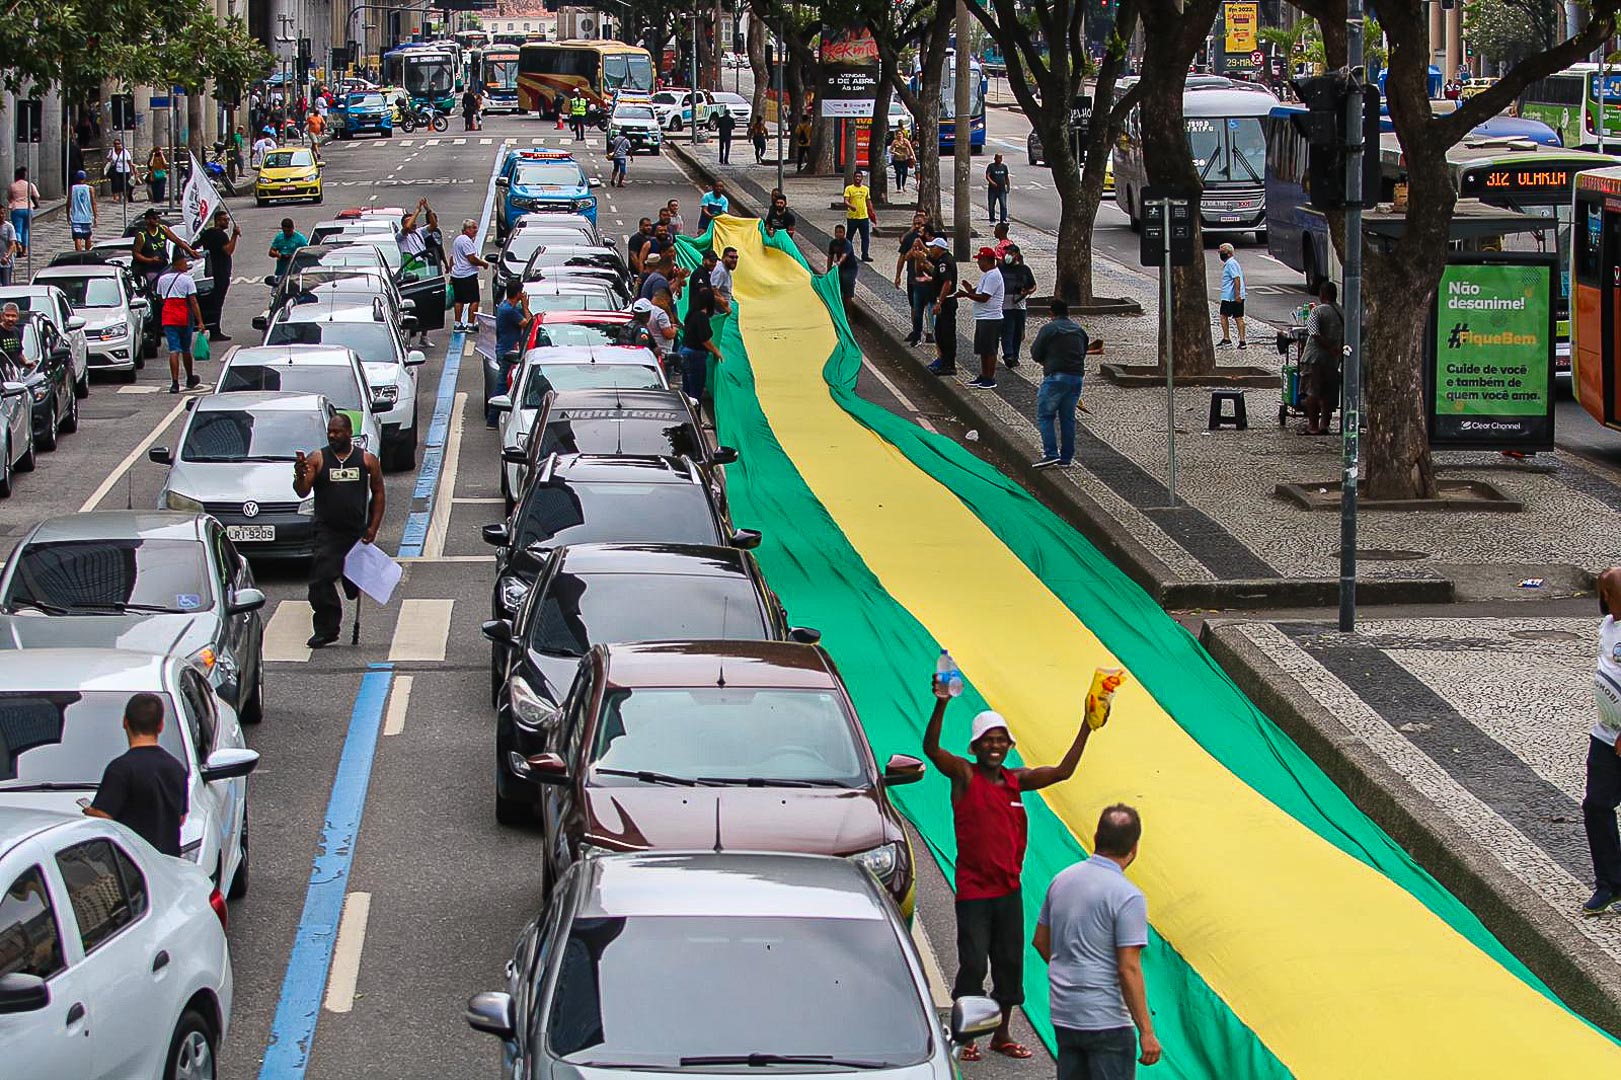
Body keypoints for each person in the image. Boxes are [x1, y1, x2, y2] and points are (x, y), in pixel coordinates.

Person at [922, 677, 1098, 1061]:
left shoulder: (1017, 781)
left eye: (1002, 740)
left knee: (1008, 966)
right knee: (972, 963)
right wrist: (941, 703)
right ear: (976, 746)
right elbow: (931, 749)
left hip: (1008, 894)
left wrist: (1087, 725)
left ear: (1010, 746)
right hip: (973, 893)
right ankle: (966, 1035)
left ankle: (1001, 1033)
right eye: (989, 740)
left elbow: (1063, 771)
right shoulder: (964, 775)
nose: (996, 746)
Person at [1036, 805, 1161, 1076]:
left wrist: (1070, 971)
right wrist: (1147, 1032)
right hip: (1107, 1020)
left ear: (1096, 837)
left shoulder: (1062, 880)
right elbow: (1128, 968)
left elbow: (1040, 941)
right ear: (1135, 847)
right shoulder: (1128, 896)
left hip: (1065, 1012)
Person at [293, 413, 386, 649]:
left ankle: (350, 579)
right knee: (319, 582)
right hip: (328, 532)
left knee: (351, 575)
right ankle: (327, 629)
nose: (333, 436)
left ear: (349, 433)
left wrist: (373, 527)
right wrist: (300, 474)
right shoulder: (318, 459)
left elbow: (379, 493)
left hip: (356, 531)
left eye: (337, 432)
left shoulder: (366, 460)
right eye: (330, 432)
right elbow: (302, 491)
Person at [83, 693, 189, 857]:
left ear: (125, 722)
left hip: (133, 862)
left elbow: (104, 816)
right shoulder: (176, 767)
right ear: (160, 726)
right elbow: (181, 818)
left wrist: (91, 811)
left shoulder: (120, 768)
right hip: (168, 862)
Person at [1030, 298, 1095, 468]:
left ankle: (1051, 453)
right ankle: (1066, 457)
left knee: (1046, 415)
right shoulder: (1079, 330)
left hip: (1056, 377)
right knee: (1067, 418)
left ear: (1051, 313)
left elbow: (1036, 353)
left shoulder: (1049, 329)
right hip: (1076, 378)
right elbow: (1083, 351)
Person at [958, 247, 1006, 390]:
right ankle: (984, 375)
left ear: (987, 261)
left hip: (991, 318)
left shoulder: (993, 276)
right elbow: (978, 293)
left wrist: (966, 295)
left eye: (980, 260)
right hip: (983, 317)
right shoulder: (987, 275)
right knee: (983, 349)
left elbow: (984, 298)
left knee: (990, 350)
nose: (979, 264)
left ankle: (990, 378)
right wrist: (969, 290)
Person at [1300, 280, 1344, 436]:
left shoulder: (1317, 311)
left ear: (1322, 294)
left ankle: (1313, 425)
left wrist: (1328, 348)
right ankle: (1324, 424)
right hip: (1332, 361)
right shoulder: (1342, 312)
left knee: (1312, 392)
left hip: (1314, 359)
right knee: (1328, 394)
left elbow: (1313, 332)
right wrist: (1335, 350)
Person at [490, 280, 532, 427]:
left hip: (506, 348)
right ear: (519, 293)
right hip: (507, 352)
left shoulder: (505, 307)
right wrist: (526, 306)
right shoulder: (509, 311)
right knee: (502, 385)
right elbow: (528, 324)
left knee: (507, 383)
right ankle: (493, 418)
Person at [195, 209, 240, 342]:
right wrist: (235, 235)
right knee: (218, 302)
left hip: (212, 272)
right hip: (220, 272)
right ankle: (215, 330)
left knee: (214, 301)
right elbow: (228, 250)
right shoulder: (220, 235)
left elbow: (196, 245)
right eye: (225, 220)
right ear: (218, 221)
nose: (227, 222)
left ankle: (213, 327)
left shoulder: (208, 233)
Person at [678, 284, 722, 404]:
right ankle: (695, 417)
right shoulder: (701, 317)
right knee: (695, 390)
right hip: (695, 354)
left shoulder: (691, 314)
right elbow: (705, 339)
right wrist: (716, 351)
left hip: (684, 350)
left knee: (687, 387)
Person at [1000, 244, 1036, 369]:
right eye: (1006, 253)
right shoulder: (1001, 268)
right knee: (1007, 331)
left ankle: (1015, 356)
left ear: (1017, 255)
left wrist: (1027, 292)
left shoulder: (1024, 269)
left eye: (1010, 253)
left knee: (1017, 332)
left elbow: (1033, 285)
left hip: (1019, 305)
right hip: (1005, 305)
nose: (1008, 255)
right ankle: (1008, 355)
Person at [927, 238, 959, 375]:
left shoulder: (944, 262)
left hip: (947, 303)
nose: (930, 250)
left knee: (946, 334)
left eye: (933, 247)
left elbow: (947, 283)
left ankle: (949, 365)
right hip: (944, 301)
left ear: (940, 248)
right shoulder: (943, 260)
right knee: (940, 333)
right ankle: (944, 362)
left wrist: (940, 302)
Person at [450, 218, 488, 331]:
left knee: (459, 300)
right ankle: (470, 324)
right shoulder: (466, 241)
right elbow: (471, 258)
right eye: (473, 228)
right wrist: (483, 263)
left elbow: (452, 257)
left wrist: (451, 271)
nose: (476, 231)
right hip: (467, 275)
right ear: (467, 229)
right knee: (474, 300)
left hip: (457, 274)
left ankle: (457, 323)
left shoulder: (458, 240)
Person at [1217, 242, 1247, 348]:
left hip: (1230, 296)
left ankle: (1227, 339)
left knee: (1224, 316)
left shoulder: (1231, 264)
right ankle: (1241, 341)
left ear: (1229, 253)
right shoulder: (1232, 263)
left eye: (1222, 252)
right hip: (1232, 295)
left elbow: (1236, 278)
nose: (1220, 254)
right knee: (1238, 317)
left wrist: (1237, 294)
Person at [6, 168, 38, 256]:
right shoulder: (29, 185)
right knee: (26, 230)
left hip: (16, 208)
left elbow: (9, 197)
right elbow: (36, 195)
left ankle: (18, 244)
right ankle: (25, 250)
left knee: (17, 228)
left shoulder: (13, 186)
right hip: (28, 208)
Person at [844, 169, 873, 261]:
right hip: (852, 217)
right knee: (849, 237)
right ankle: (848, 254)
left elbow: (868, 201)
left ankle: (865, 254)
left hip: (863, 217)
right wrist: (850, 206)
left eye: (859, 177)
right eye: (856, 177)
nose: (858, 178)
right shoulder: (849, 189)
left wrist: (871, 211)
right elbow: (846, 200)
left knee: (865, 237)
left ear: (862, 178)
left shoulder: (866, 189)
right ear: (854, 178)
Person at [268, 217, 309, 283]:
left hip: (295, 270)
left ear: (293, 228)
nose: (287, 233)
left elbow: (306, 252)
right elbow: (271, 252)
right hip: (281, 270)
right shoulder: (279, 237)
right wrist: (280, 255)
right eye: (285, 231)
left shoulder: (300, 239)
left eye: (289, 231)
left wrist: (293, 256)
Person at [828, 223, 858, 304]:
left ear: (844, 233)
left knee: (847, 292)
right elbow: (830, 256)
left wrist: (839, 262)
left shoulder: (847, 244)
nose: (838, 234)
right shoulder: (833, 243)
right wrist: (828, 269)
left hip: (850, 268)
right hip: (841, 268)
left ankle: (848, 310)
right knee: (838, 286)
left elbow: (844, 255)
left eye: (840, 232)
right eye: (836, 232)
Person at [68, 170, 96, 252]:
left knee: (77, 237)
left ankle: (79, 254)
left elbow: (68, 202)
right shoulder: (90, 189)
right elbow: (93, 203)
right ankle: (88, 253)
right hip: (87, 216)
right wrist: (95, 216)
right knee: (87, 237)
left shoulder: (72, 188)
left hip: (76, 216)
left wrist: (67, 214)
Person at [105, 138, 135, 203]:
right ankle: (116, 198)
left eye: (118, 144)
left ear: (121, 144)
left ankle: (125, 197)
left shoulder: (125, 151)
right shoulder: (112, 151)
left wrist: (132, 170)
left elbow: (129, 162)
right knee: (116, 184)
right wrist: (109, 159)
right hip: (116, 170)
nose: (117, 145)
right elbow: (108, 159)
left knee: (126, 184)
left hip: (125, 170)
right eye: (115, 144)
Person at [986, 152, 1011, 223]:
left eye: (1000, 158)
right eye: (998, 158)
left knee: (1003, 205)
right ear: (995, 159)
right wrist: (992, 182)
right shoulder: (991, 166)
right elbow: (987, 176)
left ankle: (1003, 219)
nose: (999, 159)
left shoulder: (1004, 167)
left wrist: (1008, 186)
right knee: (991, 205)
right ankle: (992, 219)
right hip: (992, 190)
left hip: (1002, 189)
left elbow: (1006, 177)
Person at [711, 247, 738, 313]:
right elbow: (713, 289)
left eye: (736, 257)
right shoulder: (721, 270)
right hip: (718, 312)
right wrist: (724, 304)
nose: (734, 260)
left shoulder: (725, 269)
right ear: (724, 257)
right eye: (731, 257)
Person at [890, 126, 915, 192]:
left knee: (905, 173)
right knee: (898, 172)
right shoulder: (895, 141)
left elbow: (911, 149)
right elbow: (890, 150)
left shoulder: (906, 141)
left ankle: (903, 185)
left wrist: (913, 156)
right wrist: (895, 153)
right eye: (898, 134)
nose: (899, 135)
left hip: (905, 159)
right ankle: (898, 187)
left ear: (903, 135)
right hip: (897, 159)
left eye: (900, 134)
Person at [0, 217, 17, 286]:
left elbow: (12, 245)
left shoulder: (9, 227)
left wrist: (7, 257)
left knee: (6, 285)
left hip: (5, 262)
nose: (1, 216)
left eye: (2, 213)